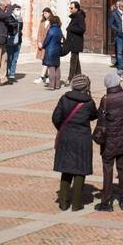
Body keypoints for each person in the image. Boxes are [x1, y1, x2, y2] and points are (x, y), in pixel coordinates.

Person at [52, 73, 99, 212]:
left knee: (66, 169)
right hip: (82, 139)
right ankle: (77, 204)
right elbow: (94, 115)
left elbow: (55, 117)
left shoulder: (64, 98)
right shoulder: (88, 102)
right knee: (80, 170)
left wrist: (62, 128)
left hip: (66, 137)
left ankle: (63, 202)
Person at [95, 70, 123, 212]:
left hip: (108, 142)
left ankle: (107, 202)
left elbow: (100, 118)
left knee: (107, 171)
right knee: (122, 168)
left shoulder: (105, 99)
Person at [64, 2, 86, 83]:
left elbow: (82, 29)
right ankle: (80, 78)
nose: (70, 9)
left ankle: (70, 78)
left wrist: (70, 28)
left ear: (76, 8)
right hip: (73, 42)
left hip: (76, 42)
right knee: (76, 61)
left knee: (73, 60)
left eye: (71, 8)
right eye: (70, 8)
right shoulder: (75, 17)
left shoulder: (79, 17)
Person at [41, 13, 63, 90]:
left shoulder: (51, 30)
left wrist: (43, 45)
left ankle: (51, 85)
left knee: (51, 67)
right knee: (57, 67)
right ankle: (57, 85)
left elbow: (47, 41)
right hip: (57, 50)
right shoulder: (59, 30)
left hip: (50, 50)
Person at [34, 6, 53, 85]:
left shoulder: (52, 23)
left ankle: (45, 77)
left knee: (47, 60)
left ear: (49, 13)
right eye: (44, 13)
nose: (44, 15)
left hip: (48, 44)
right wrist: (39, 42)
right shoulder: (42, 23)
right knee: (44, 60)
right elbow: (39, 33)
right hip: (42, 43)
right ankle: (46, 76)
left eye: (46, 13)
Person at [6, 3, 24, 83]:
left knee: (15, 59)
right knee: (9, 58)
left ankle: (12, 75)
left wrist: (19, 20)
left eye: (19, 10)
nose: (18, 11)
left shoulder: (19, 18)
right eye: (17, 9)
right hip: (11, 41)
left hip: (18, 41)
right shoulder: (9, 17)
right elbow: (11, 25)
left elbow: (20, 29)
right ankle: (8, 74)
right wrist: (17, 21)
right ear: (13, 10)